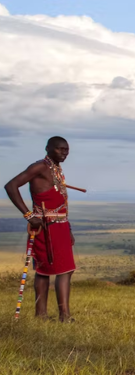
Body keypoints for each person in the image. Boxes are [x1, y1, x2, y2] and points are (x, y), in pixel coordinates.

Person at [4, 136, 76, 322]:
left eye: (66, 150)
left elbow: (60, 204)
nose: (64, 153)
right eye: (60, 149)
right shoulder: (40, 167)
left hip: (60, 226)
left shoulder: (56, 169)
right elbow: (11, 186)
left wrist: (69, 230)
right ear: (48, 148)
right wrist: (28, 215)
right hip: (46, 227)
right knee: (61, 270)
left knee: (52, 270)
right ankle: (63, 316)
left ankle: (42, 316)